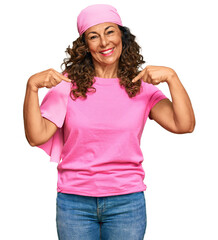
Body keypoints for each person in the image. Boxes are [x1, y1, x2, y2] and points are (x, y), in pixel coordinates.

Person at [23, 4, 195, 240]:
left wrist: (172, 78)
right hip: (75, 202)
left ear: (122, 35)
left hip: (127, 203)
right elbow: (36, 136)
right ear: (85, 46)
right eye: (94, 36)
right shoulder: (67, 86)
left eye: (110, 31)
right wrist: (31, 87)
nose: (104, 42)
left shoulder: (140, 87)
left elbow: (184, 124)